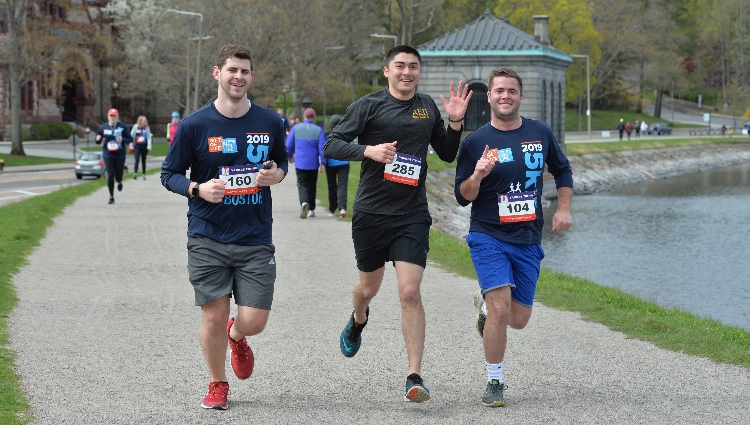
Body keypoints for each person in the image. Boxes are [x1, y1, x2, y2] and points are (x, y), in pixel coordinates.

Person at [323, 45, 472, 402]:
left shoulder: (425, 106)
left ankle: (414, 376)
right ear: (387, 70)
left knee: (409, 291)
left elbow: (448, 152)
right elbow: (331, 144)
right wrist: (367, 151)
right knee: (367, 289)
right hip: (372, 214)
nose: (408, 72)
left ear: (419, 71)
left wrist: (454, 123)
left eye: (414, 67)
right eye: (400, 66)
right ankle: (358, 318)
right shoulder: (368, 105)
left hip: (411, 214)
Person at [160, 44, 288, 411]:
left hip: (255, 236)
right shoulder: (194, 125)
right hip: (207, 235)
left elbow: (281, 165)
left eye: (245, 71)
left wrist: (274, 176)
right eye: (232, 70)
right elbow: (169, 175)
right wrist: (198, 188)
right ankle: (218, 383)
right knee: (212, 316)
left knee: (255, 321)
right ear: (217, 73)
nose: (239, 77)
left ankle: (238, 336)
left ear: (252, 76)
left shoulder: (270, 121)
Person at [454, 68, 573, 407]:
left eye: (511, 91)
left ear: (520, 96)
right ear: (489, 96)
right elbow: (463, 196)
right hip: (488, 235)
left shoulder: (540, 132)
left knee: (518, 320)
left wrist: (563, 208)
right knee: (502, 311)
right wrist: (477, 175)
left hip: (528, 237)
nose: (505, 96)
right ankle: (495, 381)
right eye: (499, 91)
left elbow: (563, 170)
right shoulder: (475, 142)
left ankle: (484, 303)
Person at [286, 107, 326, 218]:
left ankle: (304, 203)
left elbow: (289, 144)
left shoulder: (296, 128)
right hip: (313, 163)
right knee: (312, 185)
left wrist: (289, 156)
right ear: (314, 117)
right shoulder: (318, 130)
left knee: (302, 183)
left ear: (304, 116)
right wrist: (323, 162)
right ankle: (311, 209)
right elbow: (322, 147)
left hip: (300, 162)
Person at [95, 108, 133, 205]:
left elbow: (130, 139)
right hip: (108, 154)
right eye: (111, 116)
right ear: (108, 117)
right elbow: (98, 140)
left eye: (114, 116)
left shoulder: (123, 127)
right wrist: (98, 139)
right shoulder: (103, 127)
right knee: (110, 174)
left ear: (117, 117)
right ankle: (111, 196)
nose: (112, 118)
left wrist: (122, 140)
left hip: (120, 154)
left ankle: (119, 181)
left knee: (118, 174)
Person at [324, 114, 349, 218]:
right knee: (342, 185)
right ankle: (342, 208)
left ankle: (332, 209)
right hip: (344, 163)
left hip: (331, 164)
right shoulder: (347, 134)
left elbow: (324, 148)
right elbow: (350, 146)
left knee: (332, 186)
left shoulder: (326, 134)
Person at [130, 115, 153, 180]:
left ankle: (143, 174)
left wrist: (149, 145)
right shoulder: (136, 127)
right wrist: (131, 145)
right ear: (140, 121)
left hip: (144, 146)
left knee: (144, 160)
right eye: (144, 120)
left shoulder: (147, 128)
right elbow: (132, 136)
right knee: (137, 159)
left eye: (146, 120)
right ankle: (135, 173)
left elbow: (148, 137)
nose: (145, 121)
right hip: (137, 146)